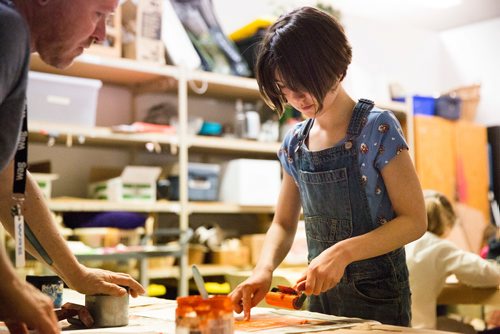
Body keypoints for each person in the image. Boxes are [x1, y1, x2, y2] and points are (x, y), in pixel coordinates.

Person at [229, 6, 427, 326]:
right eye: (284, 89)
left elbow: (415, 220)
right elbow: (282, 223)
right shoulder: (295, 142)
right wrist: (262, 271)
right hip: (318, 299)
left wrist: (343, 252)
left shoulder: (377, 128)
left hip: (377, 298)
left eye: (302, 83)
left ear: (335, 66)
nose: (296, 98)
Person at [0, 1, 145, 333]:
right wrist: (7, 284)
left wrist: (76, 273)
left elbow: (9, 180)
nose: (102, 35)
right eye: (98, 13)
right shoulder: (5, 28)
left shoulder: (12, 38)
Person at [406, 190, 500, 330]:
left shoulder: (403, 241)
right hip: (418, 329)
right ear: (447, 224)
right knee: (467, 329)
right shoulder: (439, 247)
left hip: (389, 327)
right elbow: (490, 275)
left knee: (449, 322)